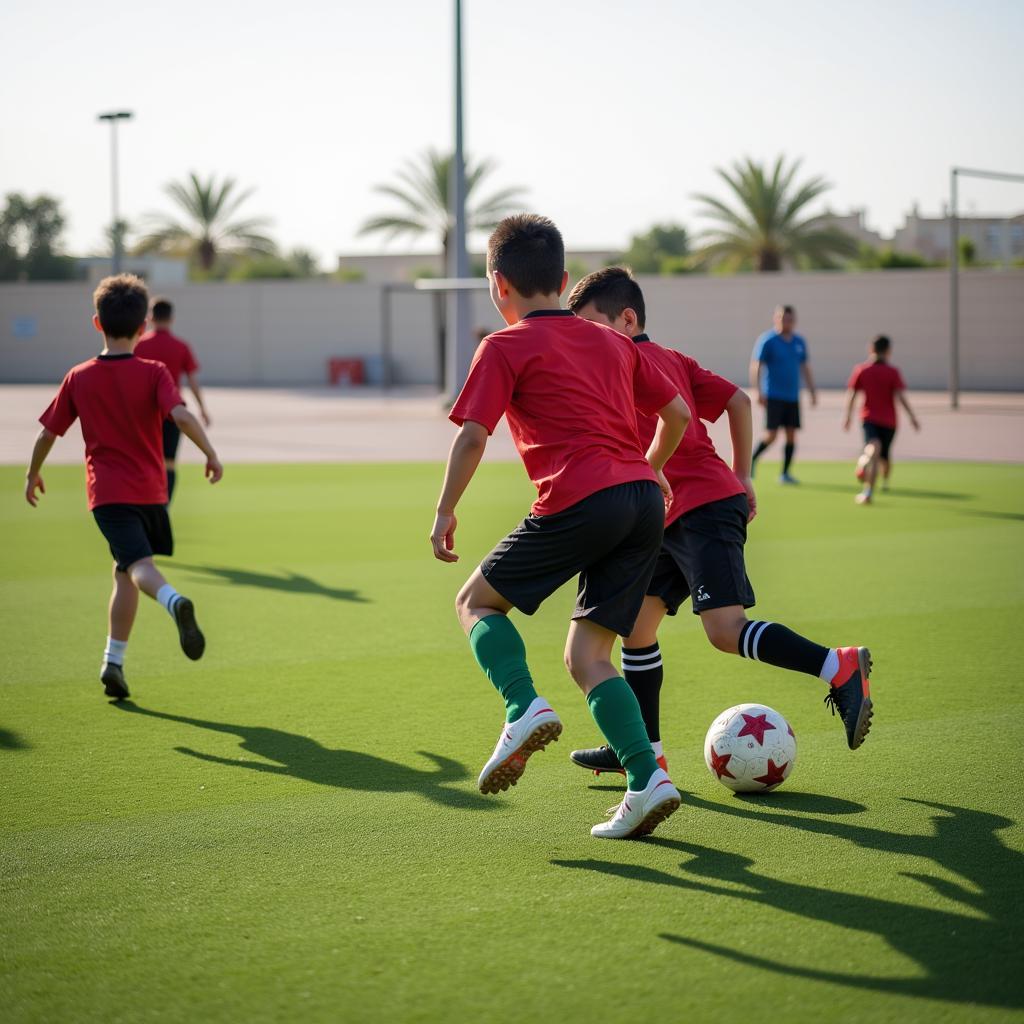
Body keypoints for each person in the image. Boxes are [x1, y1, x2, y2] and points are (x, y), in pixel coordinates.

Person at [430, 215, 691, 839]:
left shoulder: (504, 344)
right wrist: (649, 468)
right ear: (565, 279)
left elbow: (472, 436)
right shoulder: (615, 342)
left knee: (474, 601)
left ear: (499, 286)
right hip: (641, 502)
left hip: (580, 496)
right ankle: (646, 779)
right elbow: (677, 413)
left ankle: (522, 706)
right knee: (589, 655)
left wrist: (444, 510)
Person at [564, 268, 874, 778]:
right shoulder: (674, 359)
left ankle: (837, 666)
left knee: (725, 631)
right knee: (637, 629)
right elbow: (738, 400)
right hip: (670, 516)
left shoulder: (628, 362)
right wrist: (744, 474)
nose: (587, 340)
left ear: (627, 318)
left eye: (593, 327)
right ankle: (641, 751)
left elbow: (694, 414)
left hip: (702, 507)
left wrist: (693, 473)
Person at [25, 275, 223, 701]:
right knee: (125, 572)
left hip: (109, 495)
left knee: (136, 568)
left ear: (97, 323)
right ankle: (113, 663)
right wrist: (210, 453)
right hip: (152, 494)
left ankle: (173, 601)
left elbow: (47, 434)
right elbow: (183, 417)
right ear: (141, 327)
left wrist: (32, 473)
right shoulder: (154, 373)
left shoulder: (79, 376)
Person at [136, 298, 210, 503]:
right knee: (168, 463)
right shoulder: (181, 346)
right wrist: (202, 409)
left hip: (143, 413)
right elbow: (192, 381)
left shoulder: (138, 345)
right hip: (172, 412)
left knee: (144, 461)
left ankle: (144, 502)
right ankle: (163, 505)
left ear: (150, 318)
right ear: (172, 318)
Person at [844, 335, 920, 504]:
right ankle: (868, 491)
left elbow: (852, 395)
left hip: (879, 419)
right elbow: (901, 397)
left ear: (871, 349)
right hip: (882, 420)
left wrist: (847, 417)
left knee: (882, 457)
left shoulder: (866, 370)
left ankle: (874, 472)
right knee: (876, 450)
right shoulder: (885, 371)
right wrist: (912, 418)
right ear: (888, 351)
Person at [749, 305, 816, 484]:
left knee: (792, 434)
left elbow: (805, 367)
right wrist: (758, 391)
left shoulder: (799, 342)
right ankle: (751, 462)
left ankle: (785, 473)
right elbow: (757, 366)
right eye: (783, 318)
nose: (786, 322)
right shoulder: (768, 340)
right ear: (776, 319)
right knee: (771, 435)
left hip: (792, 396)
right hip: (774, 395)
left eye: (790, 319)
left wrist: (812, 390)